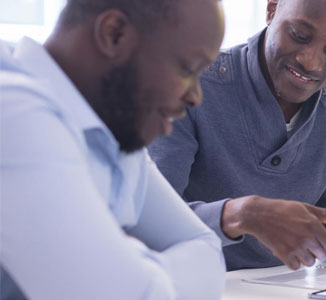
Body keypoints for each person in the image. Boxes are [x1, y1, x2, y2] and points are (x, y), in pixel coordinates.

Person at [148, 0, 326, 277]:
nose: (310, 61)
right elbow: (152, 217)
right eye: (299, 35)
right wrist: (239, 214)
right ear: (271, 9)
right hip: (188, 283)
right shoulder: (193, 88)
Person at [0, 0, 226, 299]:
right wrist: (135, 275)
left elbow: (206, 250)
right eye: (188, 68)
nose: (196, 96)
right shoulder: (13, 112)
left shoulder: (116, 130)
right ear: (114, 34)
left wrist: (135, 268)